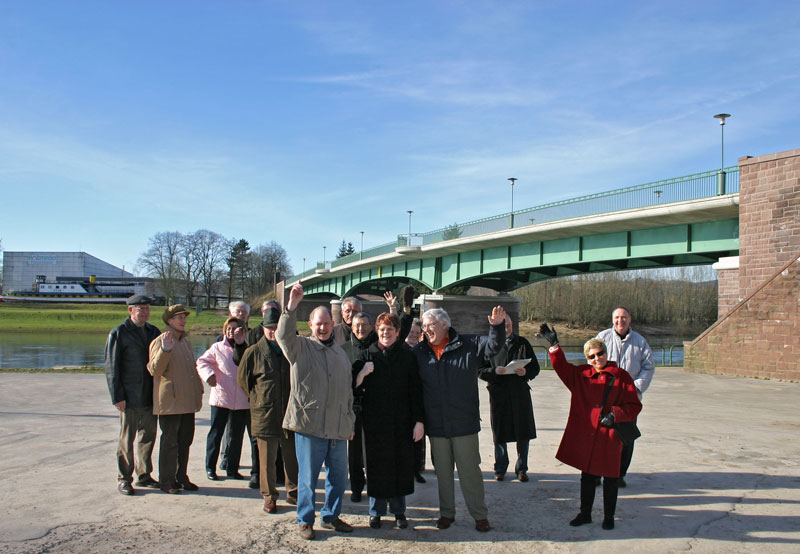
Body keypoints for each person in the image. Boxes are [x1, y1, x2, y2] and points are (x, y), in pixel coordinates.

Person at [412, 305, 507, 533]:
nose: (426, 330)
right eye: (424, 327)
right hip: (436, 424)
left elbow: (493, 347)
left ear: (445, 324)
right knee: (443, 473)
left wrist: (496, 327)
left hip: (464, 422)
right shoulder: (419, 352)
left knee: (469, 472)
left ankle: (479, 516)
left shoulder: (468, 344)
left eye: (431, 325)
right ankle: (446, 514)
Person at [539, 324, 642, 530]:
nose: (597, 359)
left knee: (611, 479)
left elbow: (634, 406)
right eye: (592, 356)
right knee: (587, 477)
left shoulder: (621, 376)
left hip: (609, 436)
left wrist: (615, 414)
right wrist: (554, 345)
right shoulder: (581, 375)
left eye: (599, 354)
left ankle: (609, 517)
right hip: (588, 435)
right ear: (587, 358)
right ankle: (585, 514)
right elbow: (562, 368)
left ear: (605, 353)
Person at [276, 283, 356, 540]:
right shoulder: (299, 347)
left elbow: (348, 393)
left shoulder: (340, 354)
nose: (323, 328)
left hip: (338, 427)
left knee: (338, 478)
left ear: (333, 325)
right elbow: (282, 336)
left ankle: (331, 516)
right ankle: (305, 520)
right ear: (310, 325)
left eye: (327, 323)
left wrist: (350, 422)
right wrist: (291, 307)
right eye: (318, 324)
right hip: (310, 425)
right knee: (308, 479)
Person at [353, 312, 424, 529]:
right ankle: (376, 512)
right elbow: (352, 387)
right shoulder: (367, 355)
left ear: (398, 332)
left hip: (401, 423)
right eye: (382, 329)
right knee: (377, 468)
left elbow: (416, 391)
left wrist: (419, 421)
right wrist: (362, 374)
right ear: (377, 331)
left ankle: (399, 511)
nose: (386, 333)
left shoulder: (407, 357)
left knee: (399, 467)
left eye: (390, 330)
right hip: (374, 424)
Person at [237, 307, 298, 514]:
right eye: (269, 327)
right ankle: (269, 496)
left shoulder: (292, 349)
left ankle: (293, 492)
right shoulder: (252, 352)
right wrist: (259, 398)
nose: (273, 331)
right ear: (263, 329)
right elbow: (243, 381)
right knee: (266, 460)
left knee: (292, 457)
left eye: (276, 327)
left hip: (290, 412)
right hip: (265, 414)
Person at [104, 294, 162, 495]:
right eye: (140, 309)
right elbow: (112, 367)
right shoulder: (119, 333)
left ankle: (144, 475)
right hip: (129, 397)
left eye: (147, 309)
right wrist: (117, 396)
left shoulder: (153, 331)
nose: (145, 312)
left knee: (148, 437)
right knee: (126, 440)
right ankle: (124, 478)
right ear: (130, 310)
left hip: (150, 395)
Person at [147, 304, 204, 494]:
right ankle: (166, 481)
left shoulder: (185, 341)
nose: (183, 320)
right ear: (169, 321)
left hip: (187, 402)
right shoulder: (161, 341)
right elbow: (154, 370)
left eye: (184, 317)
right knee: (170, 443)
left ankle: (181, 477)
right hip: (170, 403)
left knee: (185, 441)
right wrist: (165, 351)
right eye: (179, 317)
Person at [596, 306, 655, 487]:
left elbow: (648, 367)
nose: (620, 321)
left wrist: (635, 387)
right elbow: (592, 360)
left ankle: (619, 474)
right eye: (617, 317)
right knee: (601, 437)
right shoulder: (602, 338)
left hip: (629, 399)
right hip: (605, 397)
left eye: (624, 317)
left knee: (626, 437)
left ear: (630, 319)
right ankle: (596, 472)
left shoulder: (640, 342)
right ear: (612, 319)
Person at [480, 313, 540, 483]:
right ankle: (500, 468)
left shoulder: (522, 343)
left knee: (523, 432)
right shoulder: (489, 345)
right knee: (499, 433)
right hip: (499, 394)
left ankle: (522, 469)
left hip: (519, 393)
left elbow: (535, 368)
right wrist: (493, 371)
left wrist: (525, 372)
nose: (506, 329)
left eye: (508, 325)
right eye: (503, 326)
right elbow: (480, 370)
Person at [196, 316, 250, 481]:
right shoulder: (217, 347)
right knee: (216, 434)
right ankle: (210, 468)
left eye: (235, 328)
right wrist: (209, 376)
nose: (231, 331)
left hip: (241, 401)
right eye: (229, 328)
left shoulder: (248, 348)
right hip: (221, 398)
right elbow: (201, 362)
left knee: (236, 437)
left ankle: (232, 469)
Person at [403, 316, 427, 483]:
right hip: (404, 399)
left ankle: (417, 470)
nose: (413, 335)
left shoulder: (422, 350)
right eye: (411, 332)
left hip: (419, 396)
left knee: (419, 436)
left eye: (417, 333)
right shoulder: (401, 348)